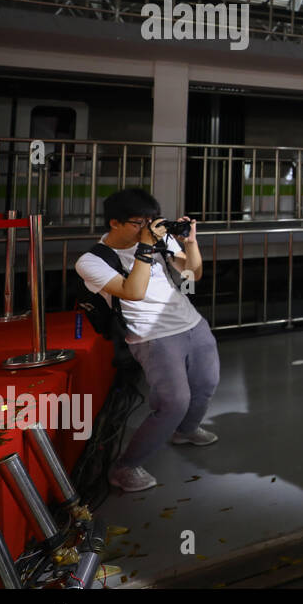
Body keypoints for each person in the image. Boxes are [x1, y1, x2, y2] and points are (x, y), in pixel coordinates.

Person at [75, 188, 219, 492]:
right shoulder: (92, 261)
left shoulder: (158, 239)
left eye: (149, 221)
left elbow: (192, 274)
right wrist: (145, 247)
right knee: (174, 402)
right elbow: (134, 292)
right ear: (114, 223)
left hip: (192, 324)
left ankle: (186, 431)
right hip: (152, 336)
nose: (146, 228)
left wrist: (190, 243)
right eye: (137, 223)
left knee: (206, 384)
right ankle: (124, 467)